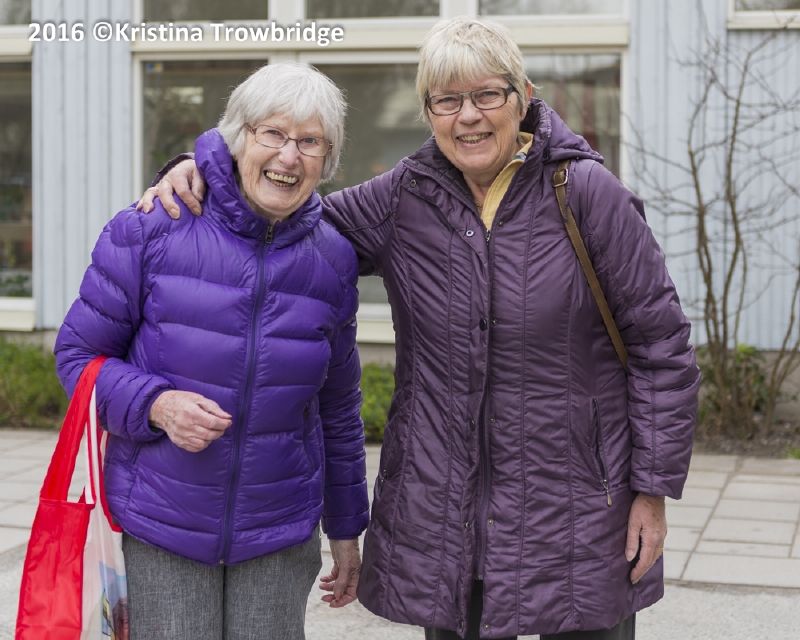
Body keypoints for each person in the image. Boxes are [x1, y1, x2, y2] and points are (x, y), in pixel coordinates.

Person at [140, 17, 700, 640]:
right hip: (446, 514)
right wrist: (202, 167)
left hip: (576, 509)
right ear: (429, 113)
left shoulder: (587, 193)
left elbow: (662, 348)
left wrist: (652, 491)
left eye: (487, 95)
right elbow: (282, 209)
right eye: (447, 100)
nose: (469, 116)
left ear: (523, 98)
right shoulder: (404, 197)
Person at [55, 61, 368, 640]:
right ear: (238, 137)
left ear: (327, 158)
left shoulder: (332, 258)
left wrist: (347, 528)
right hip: (162, 520)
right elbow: (77, 357)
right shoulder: (151, 228)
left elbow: (338, 406)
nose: (289, 156)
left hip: (279, 530)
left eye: (310, 141)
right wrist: (156, 405)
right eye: (272, 133)